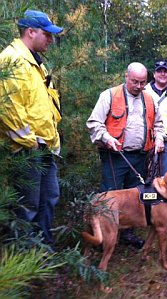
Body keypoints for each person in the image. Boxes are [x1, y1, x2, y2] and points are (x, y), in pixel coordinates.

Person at [0, 10, 63, 247]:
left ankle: (44, 250)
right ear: (30, 32)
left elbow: (47, 104)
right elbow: (8, 108)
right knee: (27, 206)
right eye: (47, 34)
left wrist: (51, 140)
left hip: (44, 145)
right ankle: (25, 258)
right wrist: (30, 142)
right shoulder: (11, 60)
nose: (50, 39)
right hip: (27, 149)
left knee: (49, 199)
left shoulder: (37, 63)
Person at [87, 62, 166, 249]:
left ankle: (127, 235)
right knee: (110, 197)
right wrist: (106, 138)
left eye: (143, 82)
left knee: (135, 199)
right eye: (135, 82)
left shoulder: (150, 99)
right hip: (115, 157)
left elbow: (159, 125)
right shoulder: (109, 96)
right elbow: (93, 123)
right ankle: (101, 238)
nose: (139, 86)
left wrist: (160, 138)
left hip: (140, 157)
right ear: (126, 77)